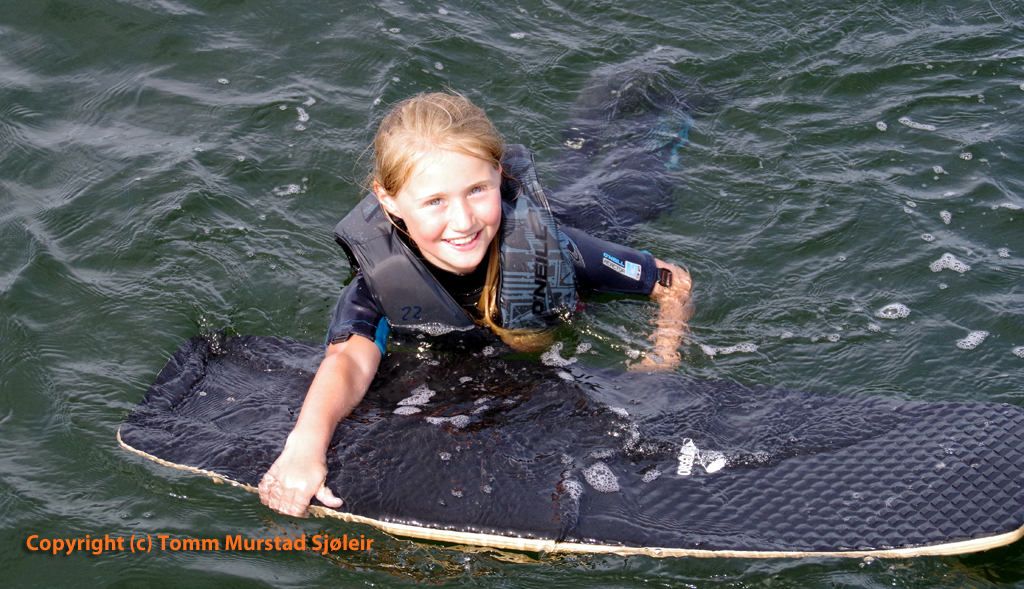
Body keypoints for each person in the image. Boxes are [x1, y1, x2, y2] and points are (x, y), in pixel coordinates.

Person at [258, 92, 692, 517]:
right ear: (388, 201)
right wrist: (305, 447)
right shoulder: (380, 284)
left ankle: (654, 101)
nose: (463, 221)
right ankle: (585, 126)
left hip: (591, 215)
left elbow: (672, 283)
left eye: (477, 190)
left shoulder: (557, 249)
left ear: (499, 176)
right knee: (575, 166)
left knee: (639, 177)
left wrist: (661, 357)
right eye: (435, 201)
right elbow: (348, 360)